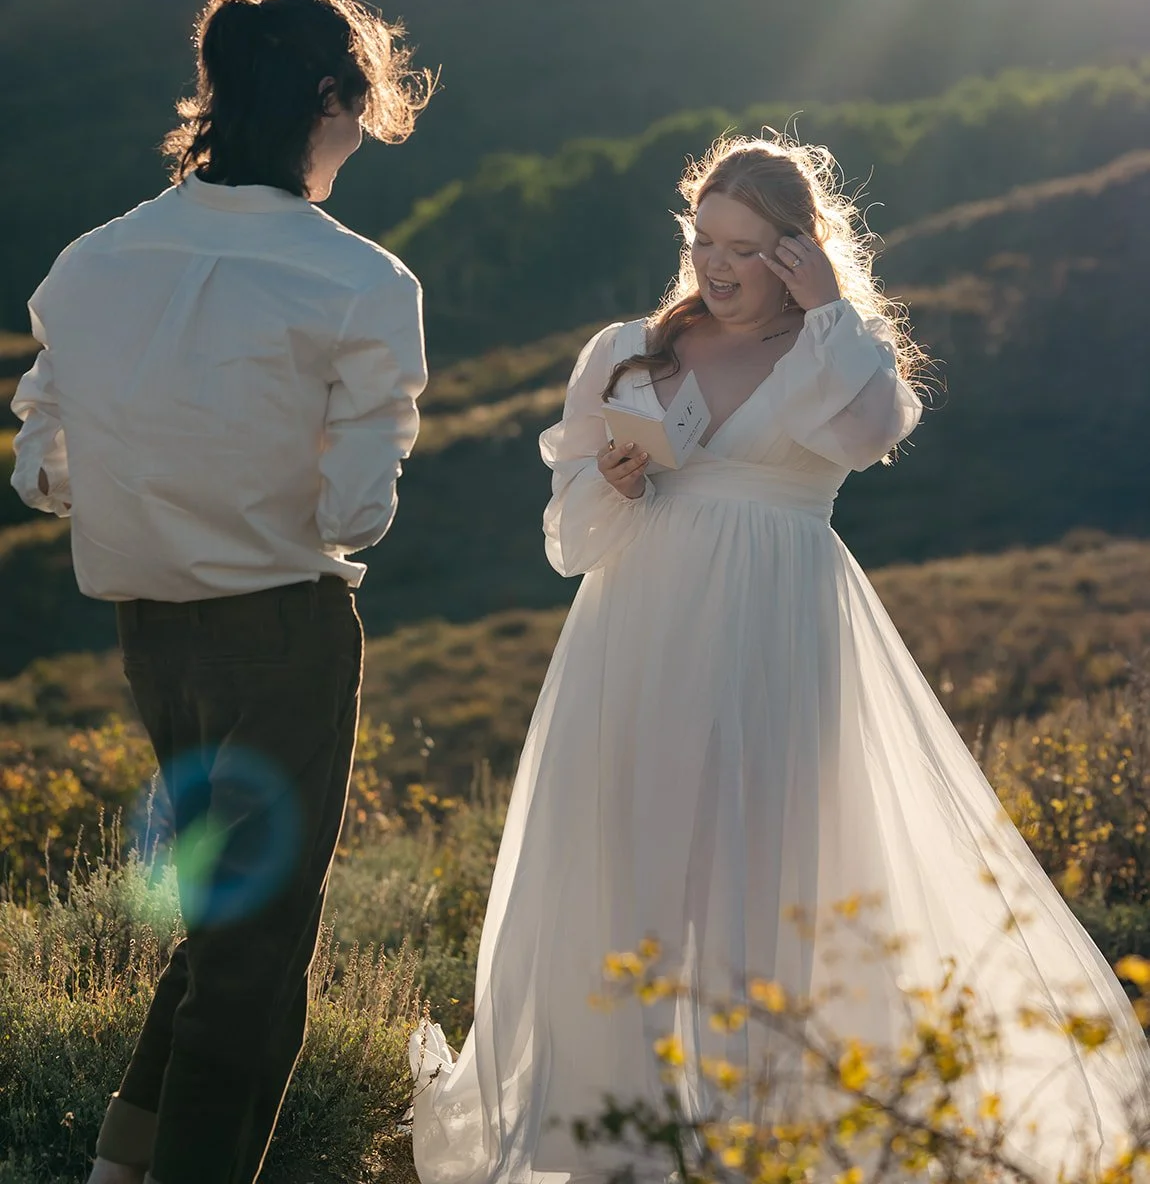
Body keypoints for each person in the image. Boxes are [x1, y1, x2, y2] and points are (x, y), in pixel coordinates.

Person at [409, 135, 1150, 1184]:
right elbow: (567, 539)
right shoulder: (629, 348)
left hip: (778, 632)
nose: (714, 265)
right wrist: (611, 488)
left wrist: (834, 311)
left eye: (745, 249)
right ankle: (618, 1134)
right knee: (629, 863)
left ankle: (763, 1129)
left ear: (798, 254)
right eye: (702, 239)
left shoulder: (835, 355)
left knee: (767, 871)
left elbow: (868, 435)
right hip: (638, 636)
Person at [10, 0, 431, 1184]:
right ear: (328, 99)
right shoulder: (361, 282)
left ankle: (119, 1162)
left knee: (222, 925)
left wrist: (161, 473)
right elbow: (359, 509)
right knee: (255, 959)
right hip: (285, 628)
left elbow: (43, 469)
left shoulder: (90, 263)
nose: (360, 127)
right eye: (360, 104)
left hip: (152, 636)